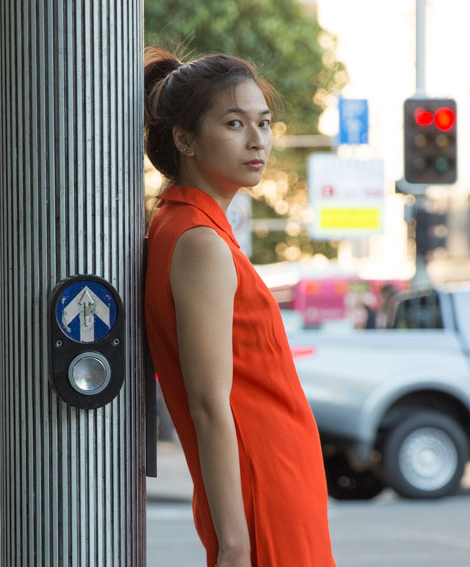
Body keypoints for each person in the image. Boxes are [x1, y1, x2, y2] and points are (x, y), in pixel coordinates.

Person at [143, 48, 336, 567]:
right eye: (234, 123)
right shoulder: (198, 240)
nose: (258, 141)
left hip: (275, 476)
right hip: (262, 485)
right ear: (184, 138)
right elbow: (209, 405)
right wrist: (233, 542)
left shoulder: (184, 225)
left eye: (264, 123)